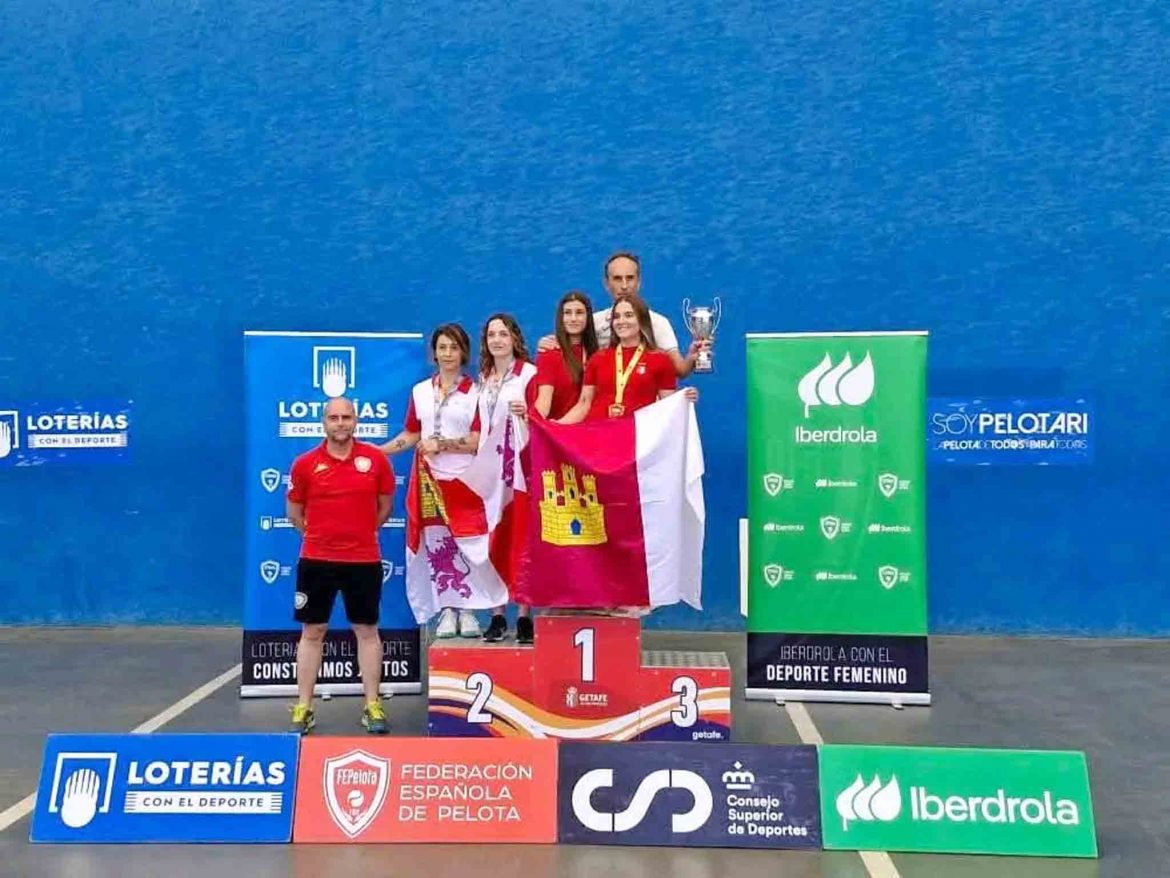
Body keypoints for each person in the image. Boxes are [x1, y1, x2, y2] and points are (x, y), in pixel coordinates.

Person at [285, 396, 394, 736]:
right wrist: (323, 538)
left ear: (356, 420)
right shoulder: (304, 464)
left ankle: (372, 704)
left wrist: (357, 535)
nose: (341, 423)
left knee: (367, 631)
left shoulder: (376, 461)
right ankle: (304, 707)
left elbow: (385, 508)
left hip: (363, 559)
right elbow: (294, 514)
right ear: (324, 422)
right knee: (312, 632)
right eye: (334, 417)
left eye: (346, 417)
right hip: (316, 560)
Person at [380, 324, 484, 638]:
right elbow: (413, 433)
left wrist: (444, 444)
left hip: (466, 482)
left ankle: (469, 611)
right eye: (442, 347)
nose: (448, 354)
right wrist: (378, 451)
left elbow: (478, 440)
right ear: (434, 352)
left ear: (464, 352)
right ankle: (447, 611)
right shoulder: (420, 392)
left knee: (467, 544)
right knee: (439, 545)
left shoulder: (476, 393)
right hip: (430, 482)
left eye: (454, 347)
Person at [475, 313, 539, 644]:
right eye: (491, 335)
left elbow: (544, 417)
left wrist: (527, 415)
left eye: (503, 334)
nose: (497, 340)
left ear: (514, 337)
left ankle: (525, 615)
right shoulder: (484, 377)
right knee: (494, 538)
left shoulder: (529, 374)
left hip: (522, 471)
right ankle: (497, 615)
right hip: (491, 472)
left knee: (522, 537)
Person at [539, 251, 705, 377]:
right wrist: (549, 344)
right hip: (602, 410)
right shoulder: (593, 322)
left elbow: (679, 371)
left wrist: (692, 357)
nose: (624, 286)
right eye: (617, 279)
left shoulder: (658, 322)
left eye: (630, 278)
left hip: (643, 412)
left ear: (638, 282)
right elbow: (570, 351)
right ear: (606, 284)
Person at [557, 294, 697, 424]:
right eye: (617, 316)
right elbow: (583, 403)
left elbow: (667, 407)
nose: (621, 321)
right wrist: (556, 426)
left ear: (641, 319)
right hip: (597, 434)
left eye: (628, 315)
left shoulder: (660, 360)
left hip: (637, 437)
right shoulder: (598, 358)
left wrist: (684, 399)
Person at [534, 291, 601, 420]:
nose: (573, 318)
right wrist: (534, 423)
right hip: (557, 433)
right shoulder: (549, 354)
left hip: (589, 432)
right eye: (567, 313)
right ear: (561, 317)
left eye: (579, 313)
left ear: (588, 317)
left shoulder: (597, 356)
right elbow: (543, 403)